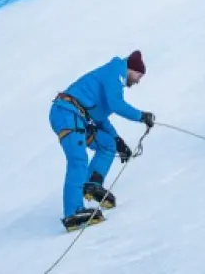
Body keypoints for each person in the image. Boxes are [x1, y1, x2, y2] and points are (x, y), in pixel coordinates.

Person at [50, 51, 154, 230]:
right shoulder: (115, 72)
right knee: (78, 159)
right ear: (131, 69)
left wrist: (118, 141)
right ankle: (72, 212)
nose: (138, 81)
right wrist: (141, 116)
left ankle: (92, 184)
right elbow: (117, 105)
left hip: (78, 116)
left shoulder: (111, 78)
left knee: (107, 144)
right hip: (67, 113)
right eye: (139, 75)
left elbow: (100, 117)